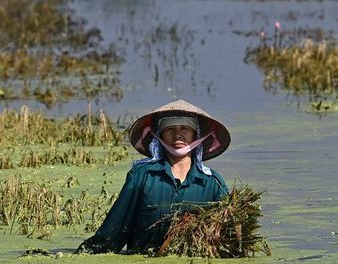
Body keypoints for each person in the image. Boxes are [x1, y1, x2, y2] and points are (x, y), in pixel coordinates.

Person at [76, 99, 231, 254]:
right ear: (160, 135)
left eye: (185, 128)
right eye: (170, 128)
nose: (178, 135)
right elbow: (114, 229)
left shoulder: (213, 183)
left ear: (195, 134)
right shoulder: (141, 176)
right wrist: (84, 254)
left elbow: (227, 238)